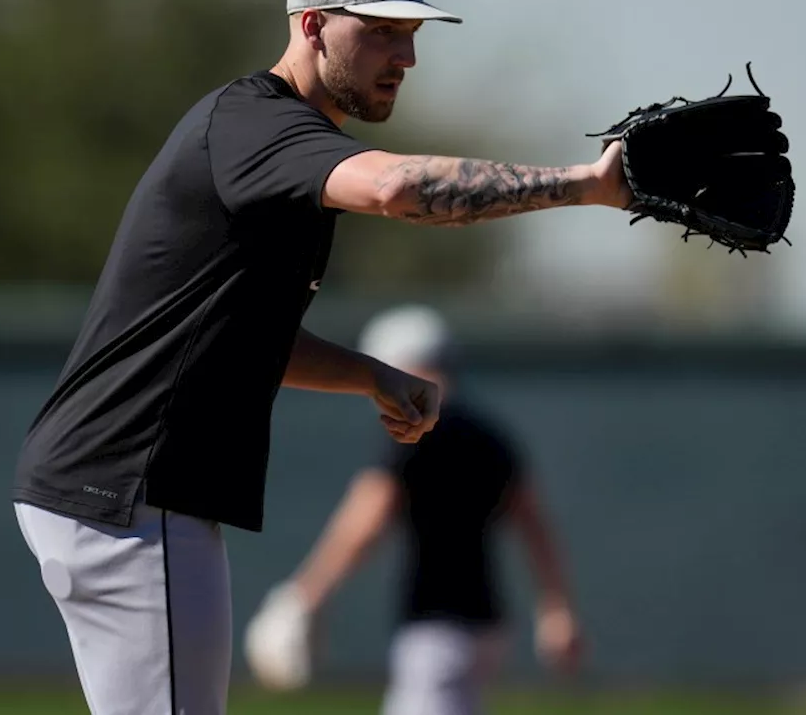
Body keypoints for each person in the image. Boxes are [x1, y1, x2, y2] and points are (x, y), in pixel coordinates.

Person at [10, 0, 627, 715]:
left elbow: (239, 335)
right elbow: (401, 187)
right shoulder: (257, 127)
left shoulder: (278, 150)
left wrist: (371, 375)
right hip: (132, 489)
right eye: (379, 31)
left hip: (115, 488)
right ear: (310, 24)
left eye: (410, 34)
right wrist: (586, 185)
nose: (404, 55)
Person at [243, 304, 583, 714]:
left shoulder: (414, 431)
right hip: (487, 625)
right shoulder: (491, 435)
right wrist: (555, 607)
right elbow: (534, 521)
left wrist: (306, 593)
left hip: (436, 626)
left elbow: (367, 517)